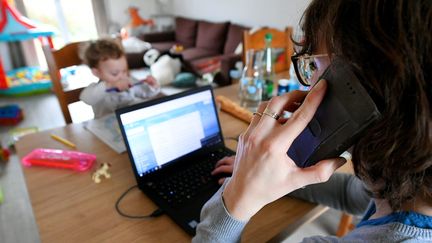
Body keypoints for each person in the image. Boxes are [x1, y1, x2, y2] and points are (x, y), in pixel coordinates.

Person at [193, 0, 432, 241]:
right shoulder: (407, 185)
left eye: (314, 64)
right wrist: (267, 177)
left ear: (366, 86)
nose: (308, 83)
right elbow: (353, 195)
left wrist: (236, 197)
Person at [80, 38, 160, 118]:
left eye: (124, 71)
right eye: (115, 73)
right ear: (97, 72)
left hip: (128, 123)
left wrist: (152, 87)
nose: (122, 76)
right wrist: (109, 85)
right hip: (104, 128)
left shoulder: (128, 81)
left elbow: (144, 93)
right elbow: (85, 98)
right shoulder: (97, 90)